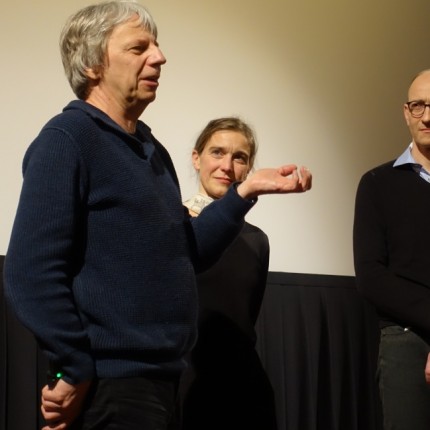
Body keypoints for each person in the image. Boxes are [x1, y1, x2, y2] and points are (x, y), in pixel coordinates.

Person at [3, 2, 312, 430]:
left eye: (158, 46)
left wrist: (245, 191)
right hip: (110, 388)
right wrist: (73, 367)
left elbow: (187, 249)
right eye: (139, 47)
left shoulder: (151, 150)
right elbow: (30, 271)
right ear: (93, 63)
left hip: (163, 383)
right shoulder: (67, 140)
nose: (159, 57)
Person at [179, 117, 277, 430]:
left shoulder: (255, 241)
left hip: (243, 390)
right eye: (217, 152)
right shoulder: (172, 225)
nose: (227, 166)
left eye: (239, 157)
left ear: (248, 169)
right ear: (197, 158)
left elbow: (247, 316)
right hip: (182, 384)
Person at [353, 69, 430, 430]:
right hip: (405, 337)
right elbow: (371, 277)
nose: (427, 116)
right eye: (418, 106)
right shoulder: (376, 184)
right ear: (406, 112)